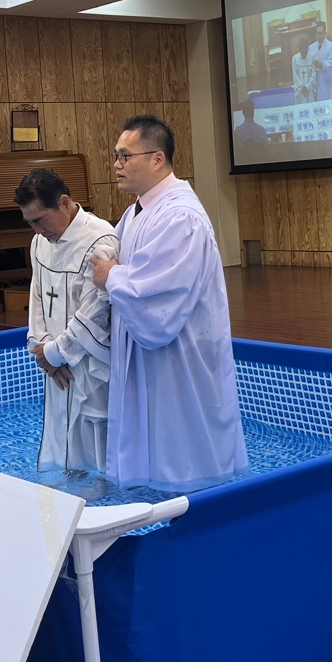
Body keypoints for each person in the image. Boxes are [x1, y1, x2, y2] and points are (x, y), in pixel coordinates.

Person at [89, 115, 248, 492]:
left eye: (125, 156)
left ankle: (192, 492)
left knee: (181, 445)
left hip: (180, 352)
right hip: (147, 351)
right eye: (116, 156)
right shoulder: (138, 211)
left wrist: (111, 277)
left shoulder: (180, 216)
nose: (116, 165)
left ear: (157, 158)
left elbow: (158, 293)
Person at [16, 168, 118, 473]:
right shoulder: (40, 242)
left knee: (95, 442)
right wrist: (41, 348)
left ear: (63, 203)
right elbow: (36, 297)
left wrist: (55, 353)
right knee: (62, 437)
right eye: (29, 222)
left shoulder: (99, 239)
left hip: (89, 364)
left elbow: (95, 313)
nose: (36, 230)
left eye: (39, 220)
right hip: (56, 365)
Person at [309, 21, 332, 102]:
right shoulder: (311, 48)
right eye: (317, 33)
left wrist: (322, 65)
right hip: (316, 79)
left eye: (320, 33)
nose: (318, 36)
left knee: (328, 100)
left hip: (326, 79)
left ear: (325, 33)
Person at [291, 36, 317, 103]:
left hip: (309, 89)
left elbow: (314, 73)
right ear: (299, 50)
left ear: (307, 49)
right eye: (301, 51)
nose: (303, 53)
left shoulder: (312, 57)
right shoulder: (295, 59)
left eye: (305, 50)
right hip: (300, 90)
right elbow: (295, 75)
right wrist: (302, 87)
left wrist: (307, 87)